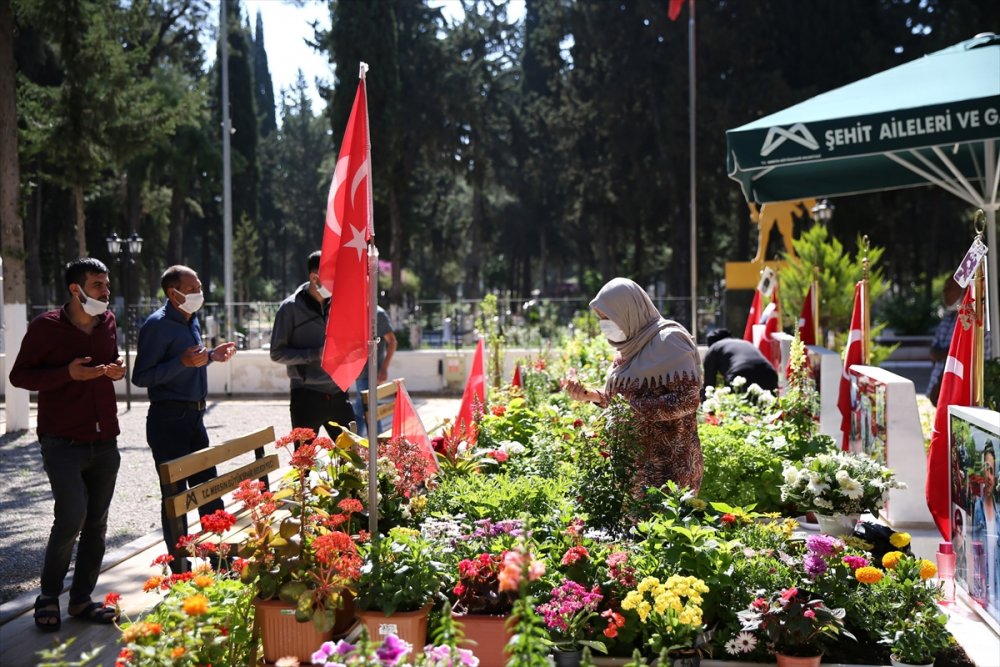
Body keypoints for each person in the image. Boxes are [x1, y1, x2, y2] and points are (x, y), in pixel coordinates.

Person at [9, 258, 126, 631]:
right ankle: (48, 595)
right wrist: (67, 374)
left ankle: (80, 600)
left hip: (105, 441)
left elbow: (109, 361)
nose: (105, 292)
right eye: (97, 285)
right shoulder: (46, 327)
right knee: (71, 516)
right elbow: (19, 376)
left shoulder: (107, 321)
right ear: (75, 289)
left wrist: (116, 369)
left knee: (97, 523)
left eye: (106, 285)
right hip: (62, 441)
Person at [132, 265, 237, 570]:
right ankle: (180, 569)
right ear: (172, 292)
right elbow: (141, 377)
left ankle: (220, 561)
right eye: (191, 289)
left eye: (199, 287)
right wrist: (181, 362)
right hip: (168, 420)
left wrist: (211, 356)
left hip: (195, 418)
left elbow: (194, 360)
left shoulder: (192, 319)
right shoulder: (157, 325)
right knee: (176, 499)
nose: (198, 294)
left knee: (210, 492)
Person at [561, 277, 704, 493]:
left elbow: (687, 400)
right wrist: (590, 395)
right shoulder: (627, 350)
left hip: (670, 471)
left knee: (665, 526)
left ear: (628, 310)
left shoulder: (670, 340)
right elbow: (622, 399)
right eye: (600, 318)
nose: (604, 324)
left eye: (607, 317)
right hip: (633, 469)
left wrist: (631, 410)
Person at [270, 251, 355, 440]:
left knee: (354, 460)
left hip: (339, 392)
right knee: (304, 464)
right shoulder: (289, 308)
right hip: (306, 395)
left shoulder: (340, 304)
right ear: (314, 277)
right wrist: (315, 353)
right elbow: (276, 353)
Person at [352, 304, 397, 436]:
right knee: (368, 409)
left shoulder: (378, 314)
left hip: (372, 373)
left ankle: (356, 446)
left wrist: (384, 368)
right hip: (359, 372)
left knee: (363, 409)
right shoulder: (355, 312)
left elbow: (392, 342)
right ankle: (377, 446)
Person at [701, 328, 779, 397]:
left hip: (740, 374)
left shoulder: (714, 348)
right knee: (770, 409)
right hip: (770, 373)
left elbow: (709, 386)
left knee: (738, 409)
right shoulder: (744, 342)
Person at [971, 442, 1000, 615]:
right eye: (986, 469)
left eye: (993, 471)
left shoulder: (999, 512)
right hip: (981, 598)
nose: (989, 476)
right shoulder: (976, 508)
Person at [926, 277, 964, 405]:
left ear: (964, 290)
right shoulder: (948, 317)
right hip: (939, 384)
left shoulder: (972, 320)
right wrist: (946, 352)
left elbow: (960, 355)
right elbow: (933, 352)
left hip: (953, 387)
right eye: (945, 288)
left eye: (950, 288)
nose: (945, 292)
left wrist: (941, 384)